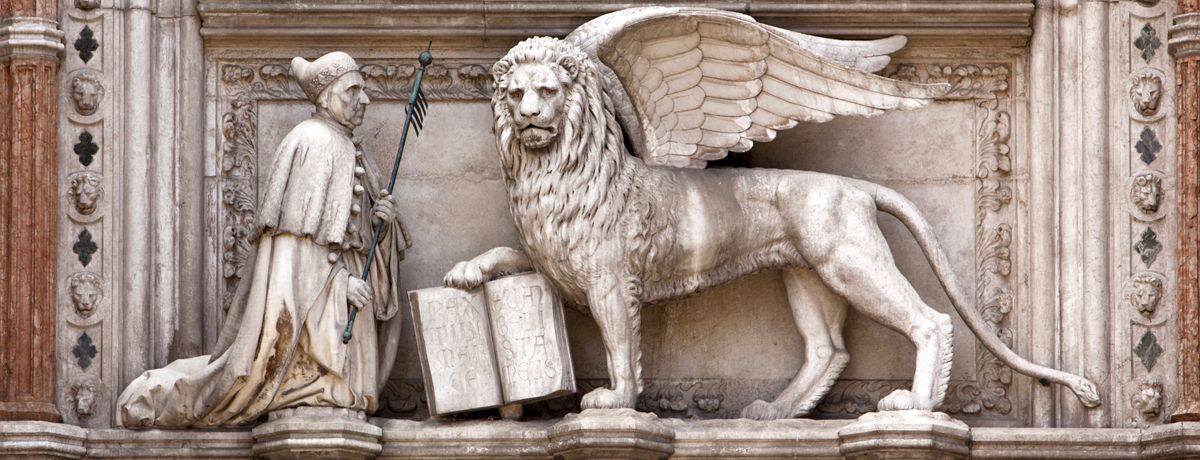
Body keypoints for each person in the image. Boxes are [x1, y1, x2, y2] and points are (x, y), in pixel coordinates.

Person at [117, 52, 411, 427]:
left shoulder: (352, 148)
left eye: (364, 91)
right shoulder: (310, 143)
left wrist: (380, 228)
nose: (364, 100)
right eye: (353, 90)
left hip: (349, 297)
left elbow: (352, 237)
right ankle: (308, 384)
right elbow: (294, 255)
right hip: (323, 302)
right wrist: (341, 288)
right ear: (325, 96)